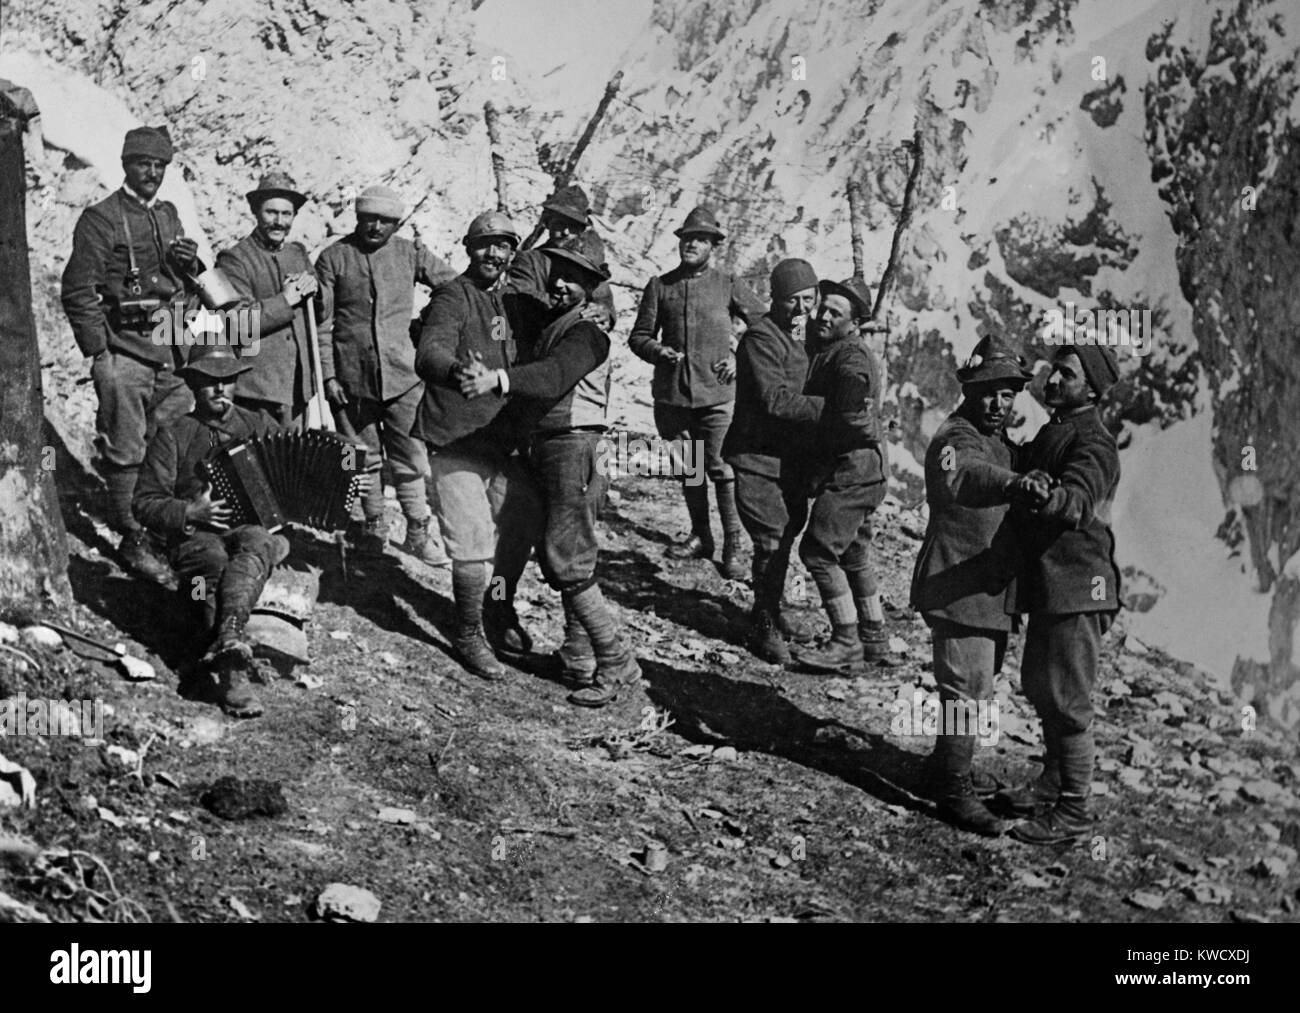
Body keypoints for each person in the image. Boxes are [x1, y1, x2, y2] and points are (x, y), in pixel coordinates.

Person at [460, 232, 639, 708]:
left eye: (574, 279)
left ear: (593, 288)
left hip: (574, 446)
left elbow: (555, 376)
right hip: (546, 447)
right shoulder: (555, 320)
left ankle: (617, 661)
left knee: (568, 557)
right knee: (540, 544)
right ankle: (574, 656)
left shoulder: (588, 332)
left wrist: (499, 380)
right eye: (558, 274)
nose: (560, 284)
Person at [60, 125, 202, 584]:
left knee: (173, 441)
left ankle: (165, 527)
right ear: (126, 164)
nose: (153, 173)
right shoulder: (100, 218)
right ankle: (131, 534)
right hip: (125, 351)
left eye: (160, 166)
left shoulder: (169, 214)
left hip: (171, 350)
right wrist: (100, 354)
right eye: (144, 163)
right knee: (124, 447)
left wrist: (188, 262)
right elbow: (78, 290)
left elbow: (183, 283)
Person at [909, 334, 1035, 836]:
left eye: (1008, 394)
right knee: (965, 689)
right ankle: (953, 788)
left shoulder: (1000, 442)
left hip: (985, 590)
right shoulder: (953, 438)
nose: (998, 403)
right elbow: (961, 475)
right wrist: (1012, 484)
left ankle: (945, 766)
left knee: (974, 688)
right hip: (955, 584)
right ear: (969, 389)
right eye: (989, 392)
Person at [1000, 343, 1122, 846]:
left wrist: (1053, 497)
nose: (1051, 381)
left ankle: (1075, 807)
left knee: (1067, 697)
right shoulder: (1058, 428)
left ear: (1090, 388)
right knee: (1041, 684)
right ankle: (1053, 779)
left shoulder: (1095, 441)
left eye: (1065, 375)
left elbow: (1080, 495)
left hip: (1080, 587)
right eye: (1052, 372)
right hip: (1055, 585)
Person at [412, 211, 540, 680]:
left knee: (521, 525)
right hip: (457, 439)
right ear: (468, 248)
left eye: (503, 245)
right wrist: (454, 372)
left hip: (501, 441)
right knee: (470, 540)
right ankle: (467, 632)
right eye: (485, 244)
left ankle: (498, 609)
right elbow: (430, 352)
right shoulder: (453, 296)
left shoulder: (508, 301)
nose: (494, 254)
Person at [132, 344, 288, 719]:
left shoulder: (259, 426)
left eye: (227, 381)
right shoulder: (174, 433)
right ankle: (229, 669)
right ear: (193, 386)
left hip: (247, 526)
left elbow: (296, 475)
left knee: (256, 544)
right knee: (212, 563)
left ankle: (230, 637)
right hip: (194, 537)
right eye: (209, 383)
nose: (220, 390)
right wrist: (190, 511)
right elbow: (144, 501)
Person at [315, 185, 457, 561]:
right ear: (357, 218)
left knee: (410, 457)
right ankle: (373, 526)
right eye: (368, 218)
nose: (375, 226)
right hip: (349, 381)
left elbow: (453, 287)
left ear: (397, 223)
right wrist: (329, 377)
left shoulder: (410, 253)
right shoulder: (333, 258)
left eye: (385, 220)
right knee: (360, 457)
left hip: (403, 377)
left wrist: (428, 328)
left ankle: (417, 531)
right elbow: (322, 324)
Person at [628, 206, 763, 578]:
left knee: (722, 470)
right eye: (687, 238)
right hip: (673, 397)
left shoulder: (727, 283)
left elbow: (765, 325)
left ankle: (734, 545)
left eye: (700, 240)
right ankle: (701, 536)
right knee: (690, 468)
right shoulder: (661, 285)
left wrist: (740, 358)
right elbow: (638, 337)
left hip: (719, 396)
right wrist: (658, 352)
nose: (691, 245)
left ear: (713, 246)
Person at [722, 258, 824, 665]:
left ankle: (771, 610)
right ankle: (762, 624)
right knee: (769, 540)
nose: (801, 308)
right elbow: (774, 399)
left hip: (790, 460)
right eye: (792, 300)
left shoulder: (801, 336)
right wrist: (831, 409)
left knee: (784, 538)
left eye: (808, 299)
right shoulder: (760, 339)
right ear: (775, 299)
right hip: (756, 458)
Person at [791, 277, 894, 673]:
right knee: (853, 552)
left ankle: (845, 642)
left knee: (818, 551)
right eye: (823, 308)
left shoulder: (850, 356)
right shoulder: (830, 348)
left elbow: (852, 413)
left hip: (855, 471)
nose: (824, 316)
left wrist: (861, 427)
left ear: (854, 323)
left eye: (836, 312)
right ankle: (874, 638)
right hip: (865, 469)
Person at [215, 171, 317, 428]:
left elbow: (322, 313)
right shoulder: (234, 259)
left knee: (295, 463)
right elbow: (237, 326)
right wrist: (286, 300)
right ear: (255, 212)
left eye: (286, 214)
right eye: (271, 212)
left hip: (297, 389)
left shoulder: (298, 254)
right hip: (256, 391)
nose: (279, 222)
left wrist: (316, 289)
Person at [506, 183, 615, 328]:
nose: (565, 232)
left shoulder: (586, 266)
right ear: (548, 224)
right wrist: (576, 305)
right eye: (560, 224)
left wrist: (604, 312)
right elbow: (524, 298)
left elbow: (602, 298)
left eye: (573, 227)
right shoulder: (529, 260)